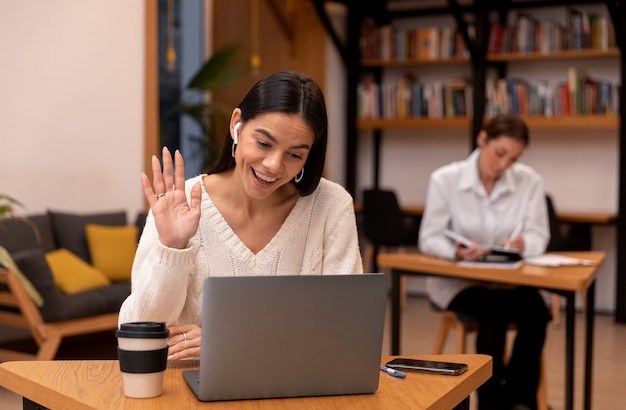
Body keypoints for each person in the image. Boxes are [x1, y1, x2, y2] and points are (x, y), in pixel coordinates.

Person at [118, 71, 363, 360]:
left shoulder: (331, 207)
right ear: (237, 125)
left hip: (292, 392)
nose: (273, 165)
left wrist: (227, 343)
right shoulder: (179, 204)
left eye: (294, 155)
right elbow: (139, 334)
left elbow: (347, 330)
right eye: (263, 143)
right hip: (187, 391)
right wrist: (172, 247)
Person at [418, 113, 551, 410]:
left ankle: (518, 397)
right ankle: (494, 403)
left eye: (513, 159)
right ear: (482, 140)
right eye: (499, 154)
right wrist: (457, 251)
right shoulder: (445, 179)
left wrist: (524, 244)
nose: (503, 165)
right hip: (461, 281)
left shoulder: (530, 181)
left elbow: (538, 234)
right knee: (493, 316)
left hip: (510, 279)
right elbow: (429, 238)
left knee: (537, 312)